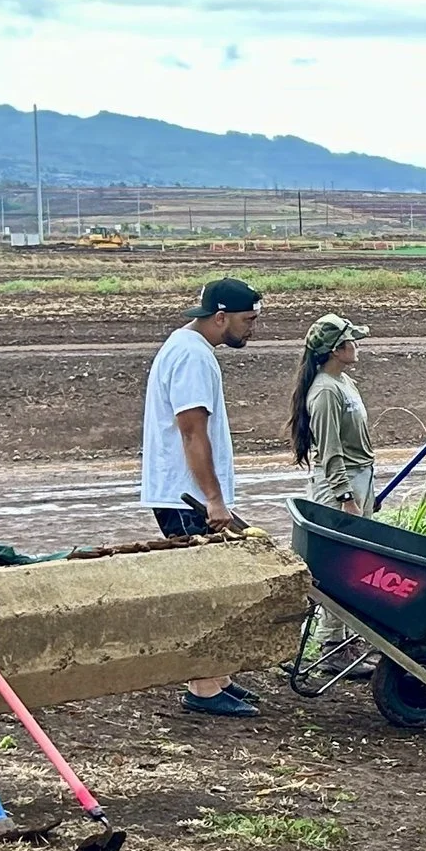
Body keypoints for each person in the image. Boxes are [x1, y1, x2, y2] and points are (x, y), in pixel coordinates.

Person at [139, 277, 260, 717]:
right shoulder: (191, 356)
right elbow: (193, 431)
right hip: (186, 495)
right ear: (221, 316)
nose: (252, 330)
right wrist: (213, 499)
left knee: (216, 582)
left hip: (184, 491)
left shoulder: (187, 348)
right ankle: (203, 687)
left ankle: (217, 677)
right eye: (248, 321)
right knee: (206, 588)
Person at [291, 314, 374, 512]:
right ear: (336, 350)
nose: (357, 345)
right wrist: (346, 497)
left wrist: (367, 491)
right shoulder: (325, 391)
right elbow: (330, 448)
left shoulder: (345, 381)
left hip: (361, 477)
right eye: (351, 340)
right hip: (338, 489)